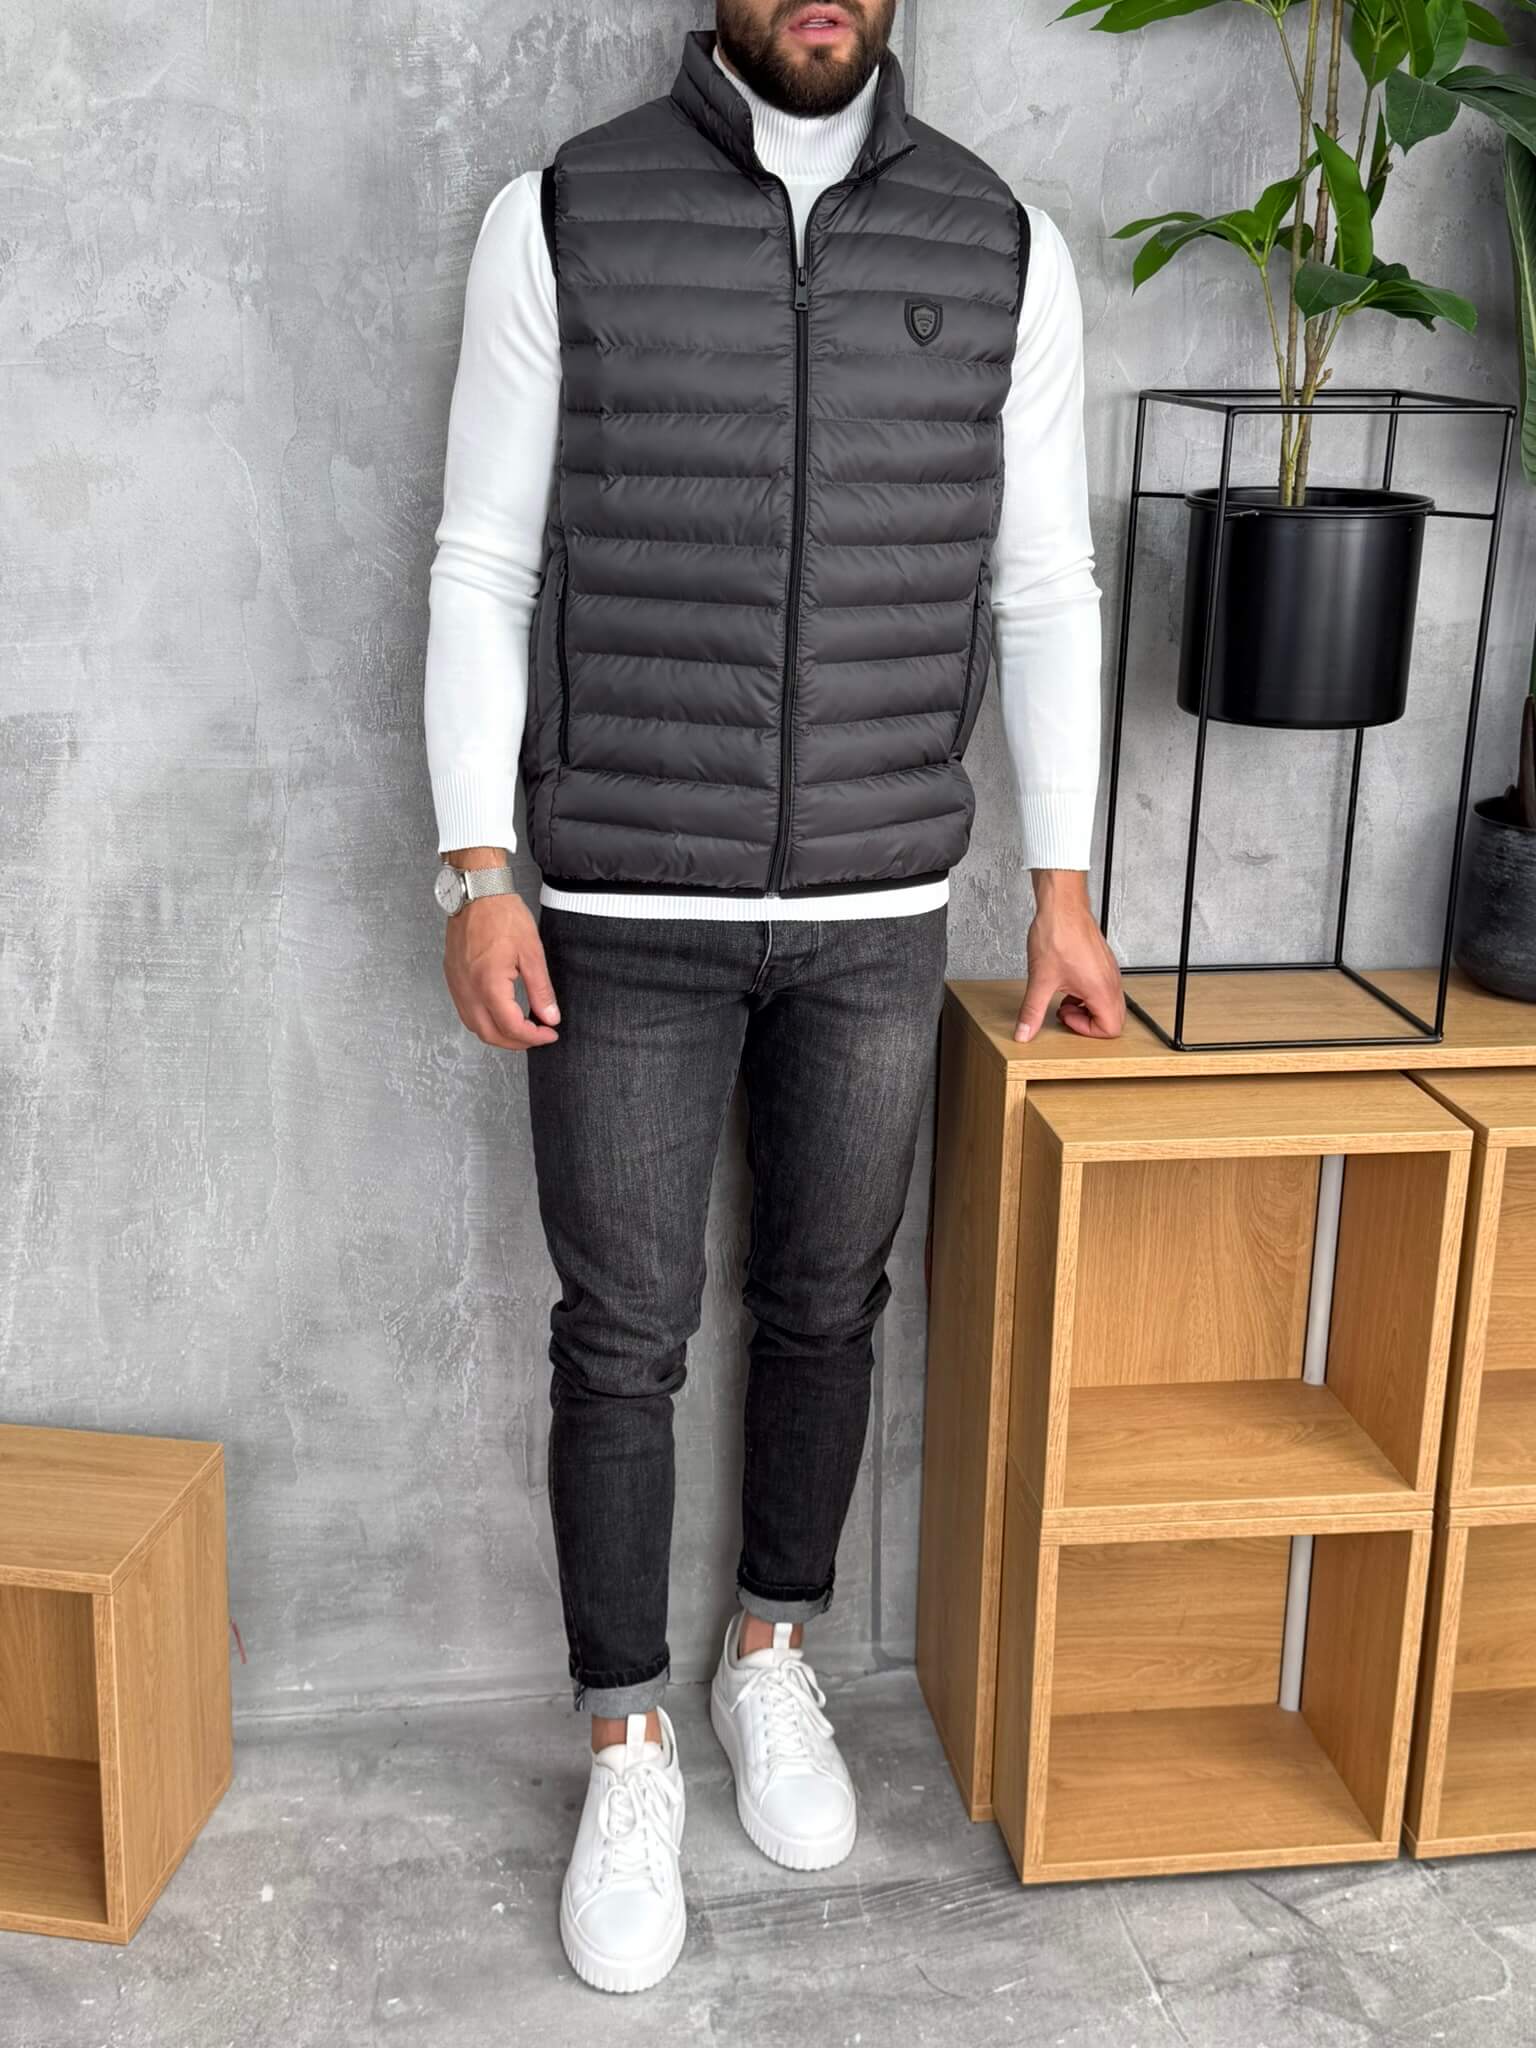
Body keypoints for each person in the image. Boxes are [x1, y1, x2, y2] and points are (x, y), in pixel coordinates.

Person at [423, 0, 1124, 1995]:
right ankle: (626, 1741)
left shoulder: (1001, 243)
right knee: (621, 1334)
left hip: (881, 904)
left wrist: (1063, 892)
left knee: (830, 1302)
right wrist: (478, 867)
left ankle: (770, 1654)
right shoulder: (564, 216)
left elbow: (1043, 580)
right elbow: (481, 561)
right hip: (616, 899)